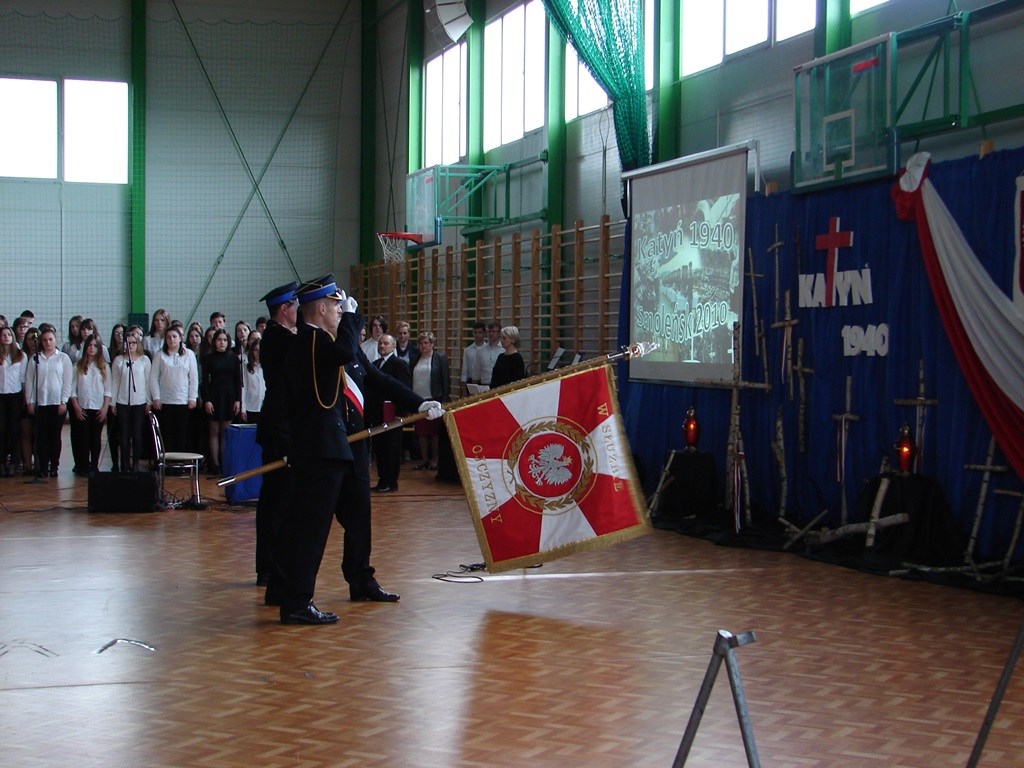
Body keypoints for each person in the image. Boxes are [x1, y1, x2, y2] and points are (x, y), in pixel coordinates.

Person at [276, 273, 361, 625]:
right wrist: (353, 318)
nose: (340, 312)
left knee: (305, 528)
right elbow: (346, 351)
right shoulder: (314, 340)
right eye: (336, 307)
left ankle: (293, 597)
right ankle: (298, 601)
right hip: (321, 450)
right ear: (322, 308)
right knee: (311, 532)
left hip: (314, 448)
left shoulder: (308, 341)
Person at [337, 333, 441, 601]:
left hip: (355, 448)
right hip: (325, 449)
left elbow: (382, 380)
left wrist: (418, 402)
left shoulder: (354, 353)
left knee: (359, 521)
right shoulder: (318, 345)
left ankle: (361, 581)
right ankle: (296, 593)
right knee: (312, 526)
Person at [255, 280, 299, 594]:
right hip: (279, 431)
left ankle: (269, 567)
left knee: (275, 502)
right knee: (278, 504)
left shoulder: (275, 336)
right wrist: (286, 443)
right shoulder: (281, 338)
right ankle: (271, 568)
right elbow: (283, 397)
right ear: (284, 309)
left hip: (277, 428)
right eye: (295, 306)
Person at [25, 327, 73, 477]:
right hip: (41, 402)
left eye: (50, 339)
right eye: (44, 340)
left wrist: (63, 401)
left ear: (55, 340)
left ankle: (54, 466)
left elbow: (67, 381)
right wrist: (30, 401)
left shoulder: (63, 358)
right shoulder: (35, 359)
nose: (48, 342)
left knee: (54, 436)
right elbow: (29, 381)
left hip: (56, 402)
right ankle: (43, 466)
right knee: (41, 436)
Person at [367, 333, 409, 493]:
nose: (382, 346)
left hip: (392, 412)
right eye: (380, 343)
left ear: (393, 347)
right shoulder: (376, 364)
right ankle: (382, 479)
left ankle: (391, 481)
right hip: (377, 412)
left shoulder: (399, 364)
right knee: (380, 447)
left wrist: (400, 412)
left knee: (391, 448)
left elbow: (404, 389)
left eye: (386, 343)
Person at [149, 325, 199, 452]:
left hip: (183, 400)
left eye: (174, 336)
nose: (172, 339)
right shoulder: (159, 355)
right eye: (169, 337)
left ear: (180, 338)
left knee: (181, 433)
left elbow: (194, 378)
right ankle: (168, 460)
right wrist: (156, 398)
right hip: (165, 401)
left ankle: (180, 460)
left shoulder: (189, 354)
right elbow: (153, 378)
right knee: (167, 433)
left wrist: (192, 398)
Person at [110, 326, 152, 473]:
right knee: (124, 435)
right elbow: (115, 382)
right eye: (128, 343)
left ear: (138, 344)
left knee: (137, 434)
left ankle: (135, 464)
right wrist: (113, 402)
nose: (131, 345)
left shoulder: (144, 360)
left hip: (139, 402)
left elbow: (147, 381)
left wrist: (149, 401)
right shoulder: (119, 360)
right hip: (122, 402)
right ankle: (124, 464)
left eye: (133, 343)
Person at [68, 333, 111, 475]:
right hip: (83, 407)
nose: (92, 348)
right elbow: (73, 390)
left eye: (95, 346)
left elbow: (108, 390)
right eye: (89, 345)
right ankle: (84, 466)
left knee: (95, 438)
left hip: (98, 407)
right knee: (83, 438)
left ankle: (94, 466)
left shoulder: (104, 367)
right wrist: (76, 406)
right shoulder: (77, 366)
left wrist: (105, 408)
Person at [201, 328, 240, 475]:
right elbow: (205, 382)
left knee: (225, 431)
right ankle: (215, 464)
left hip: (229, 396)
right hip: (214, 395)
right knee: (214, 430)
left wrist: (237, 400)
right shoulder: (208, 358)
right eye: (219, 339)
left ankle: (225, 463)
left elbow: (238, 381)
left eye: (224, 340)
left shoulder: (234, 358)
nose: (222, 342)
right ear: (214, 341)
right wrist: (207, 400)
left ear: (228, 342)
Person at [410, 331, 450, 471]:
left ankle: (435, 459)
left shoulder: (440, 358)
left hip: (434, 398)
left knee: (434, 432)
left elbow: (445, 379)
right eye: (421, 343)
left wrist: (444, 400)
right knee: (421, 431)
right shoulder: (414, 359)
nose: (423, 346)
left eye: (426, 343)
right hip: (419, 399)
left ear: (432, 344)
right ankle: (424, 459)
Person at [0, 326, 26, 476]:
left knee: (15, 430)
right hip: (1, 396)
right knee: (1, 430)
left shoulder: (20, 355)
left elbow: (23, 379)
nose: (6, 337)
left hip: (15, 395)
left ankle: (14, 462)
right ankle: (2, 462)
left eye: (9, 334)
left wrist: (25, 399)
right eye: (3, 335)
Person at [19, 327, 41, 475]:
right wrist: (26, 399)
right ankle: (27, 465)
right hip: (23, 400)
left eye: (35, 339)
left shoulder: (41, 356)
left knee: (38, 434)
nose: (33, 343)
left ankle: (40, 464)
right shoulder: (21, 356)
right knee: (25, 433)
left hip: (40, 400)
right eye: (29, 340)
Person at [106, 324, 126, 470]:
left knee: (126, 433)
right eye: (117, 333)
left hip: (126, 398)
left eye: (122, 333)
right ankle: (115, 463)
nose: (120, 336)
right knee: (112, 433)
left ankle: (126, 463)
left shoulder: (132, 353)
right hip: (111, 397)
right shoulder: (108, 352)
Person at [240, 335, 264, 425]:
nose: (258, 353)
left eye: (260, 350)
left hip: (264, 407)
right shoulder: (246, 367)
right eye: (255, 350)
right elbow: (243, 387)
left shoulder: (267, 367)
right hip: (250, 407)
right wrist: (243, 408)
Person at [474, 320, 503, 386]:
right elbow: (476, 371)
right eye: (489, 331)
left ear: (499, 333)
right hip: (484, 384)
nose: (491, 334)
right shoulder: (481, 350)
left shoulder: (503, 350)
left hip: (499, 385)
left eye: (493, 331)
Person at [461, 321, 487, 391]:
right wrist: (464, 390)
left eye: (480, 332)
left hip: (484, 382)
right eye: (475, 332)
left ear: (484, 333)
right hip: (471, 381)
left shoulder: (489, 350)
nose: (477, 335)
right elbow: (464, 372)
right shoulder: (467, 350)